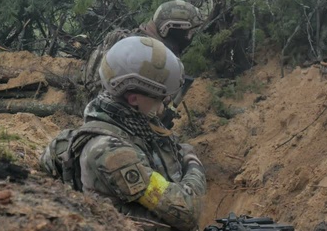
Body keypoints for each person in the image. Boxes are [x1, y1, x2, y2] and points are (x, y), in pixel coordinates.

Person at [41, 36, 207, 231]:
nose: (166, 100)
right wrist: (192, 161)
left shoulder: (133, 124)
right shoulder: (111, 152)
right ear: (134, 99)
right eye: (161, 96)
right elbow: (186, 211)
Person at [82, 0, 203, 100]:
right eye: (189, 32)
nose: (190, 37)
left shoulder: (132, 42)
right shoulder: (146, 55)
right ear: (172, 28)